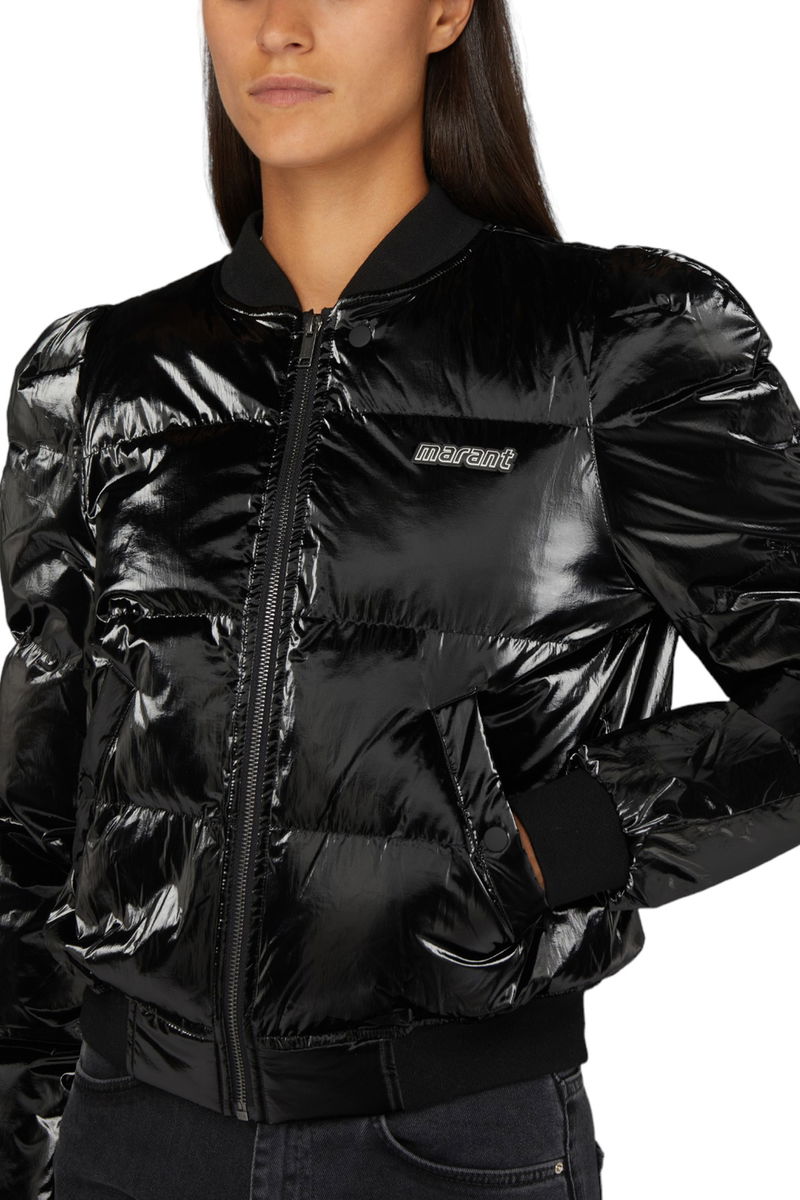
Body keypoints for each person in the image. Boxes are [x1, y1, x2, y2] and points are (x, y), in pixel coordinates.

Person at [2, 0, 799, 1197]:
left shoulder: (613, 345)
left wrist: (552, 843)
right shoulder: (106, 378)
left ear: (442, 12)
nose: (279, 25)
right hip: (127, 1135)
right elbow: (36, 800)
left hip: (443, 1144)